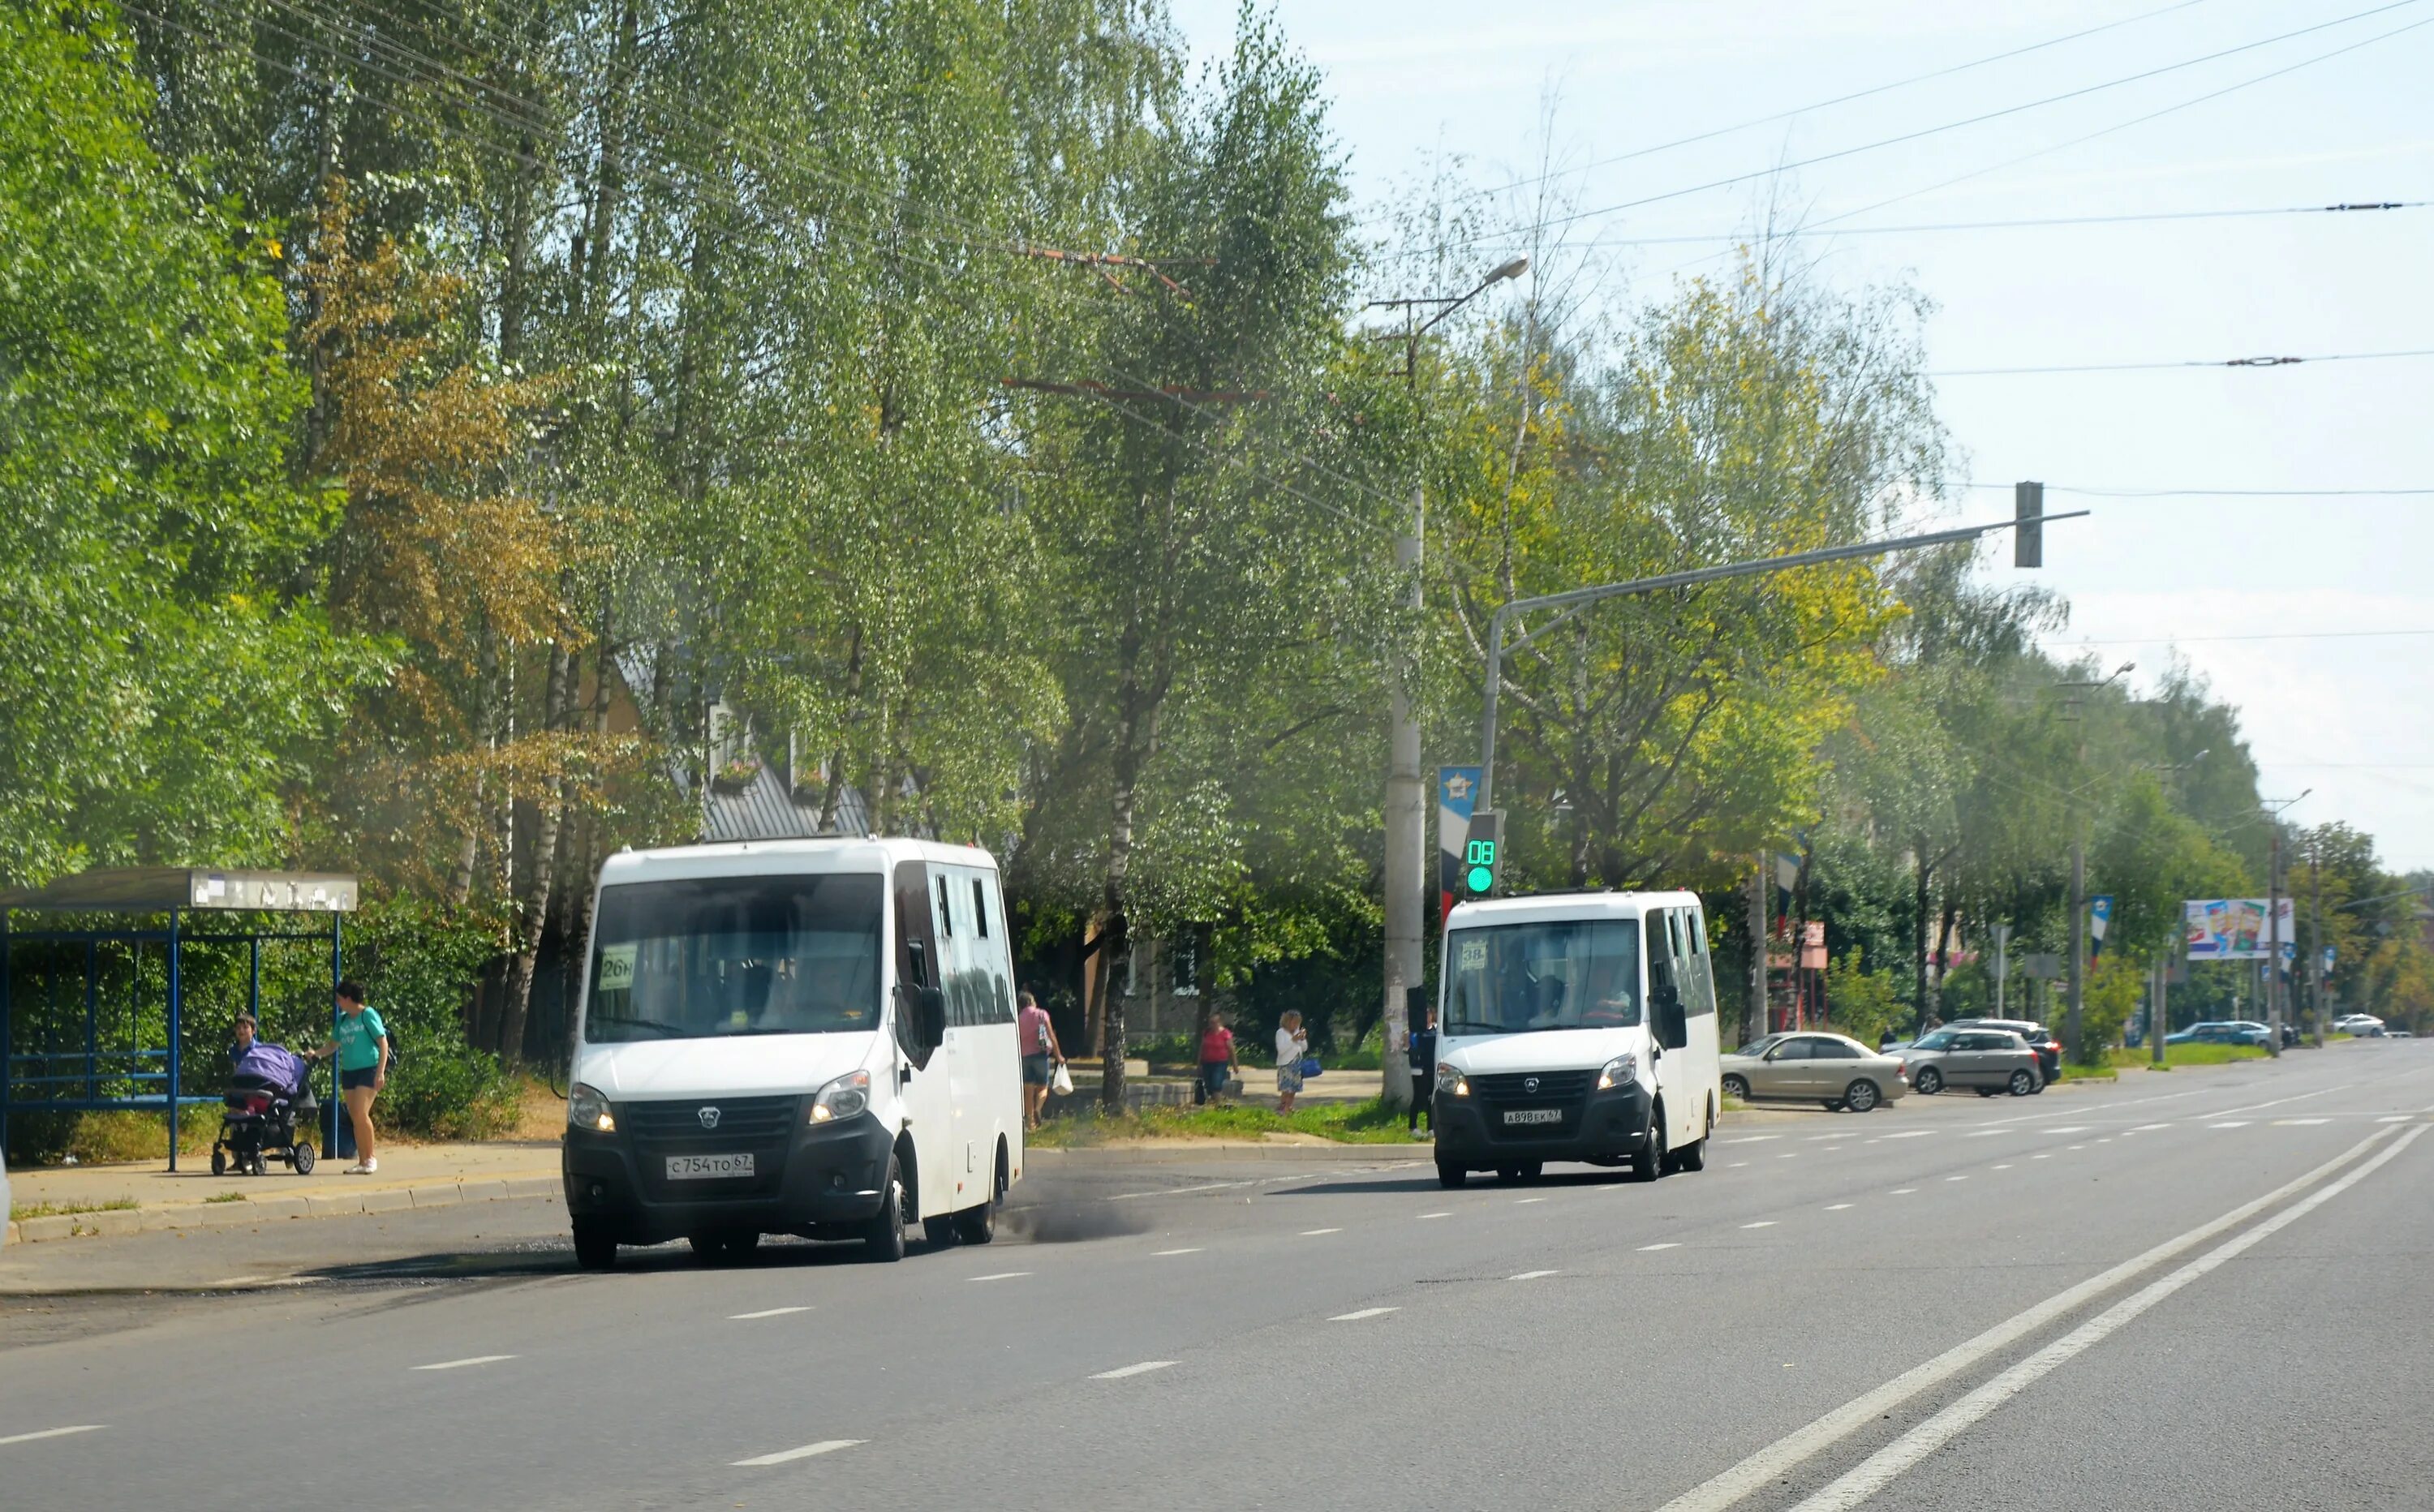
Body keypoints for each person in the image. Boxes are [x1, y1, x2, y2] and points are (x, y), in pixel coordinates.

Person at [304, 981, 389, 1175]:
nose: (337, 1002)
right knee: (355, 1116)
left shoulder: (368, 1015)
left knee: (360, 1113)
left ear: (348, 998)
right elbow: (333, 1045)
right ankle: (362, 1161)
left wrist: (380, 1071)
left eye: (339, 999)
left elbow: (383, 1043)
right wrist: (315, 1053)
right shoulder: (342, 1020)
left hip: (369, 1069)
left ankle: (371, 1158)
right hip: (349, 1071)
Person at [1017, 990, 1061, 1130]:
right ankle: (1038, 1108)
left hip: (1024, 1058)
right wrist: (1058, 1055)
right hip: (1041, 1055)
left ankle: (1030, 1125)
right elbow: (1051, 1036)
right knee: (1043, 1087)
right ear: (1031, 1001)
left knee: (1028, 1091)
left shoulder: (1018, 1018)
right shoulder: (1041, 1014)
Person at [1406, 1006, 1439, 1136]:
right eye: (1424, 1014)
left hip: (1432, 1069)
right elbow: (1408, 1046)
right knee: (1419, 1097)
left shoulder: (1437, 1030)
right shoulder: (1415, 1031)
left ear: (1432, 1015)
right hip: (1419, 1070)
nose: (1427, 1017)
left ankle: (1431, 1128)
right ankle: (1412, 1127)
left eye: (1429, 1014)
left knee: (1431, 1099)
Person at [1275, 1010, 1308, 1114]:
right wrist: (1293, 1040)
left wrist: (1302, 1039)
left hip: (1297, 1063)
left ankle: (1289, 1107)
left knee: (1294, 1088)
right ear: (1287, 1021)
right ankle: (1282, 1107)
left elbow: (1304, 1048)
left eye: (1298, 1023)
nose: (1296, 1025)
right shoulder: (1281, 1033)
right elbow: (1281, 1050)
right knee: (1286, 1087)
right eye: (1294, 1022)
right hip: (1286, 1064)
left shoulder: (1297, 1032)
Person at [1198, 1015, 1236, 1105]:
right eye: (1211, 1023)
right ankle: (1215, 1102)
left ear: (1220, 1023)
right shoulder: (1207, 1033)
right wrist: (1198, 1063)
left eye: (1215, 1023)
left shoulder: (1225, 1033)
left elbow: (1231, 1050)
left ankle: (1218, 1106)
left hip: (1220, 1063)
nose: (1212, 1025)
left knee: (1216, 1084)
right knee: (1209, 1086)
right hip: (1207, 1063)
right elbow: (1202, 1048)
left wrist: (1235, 1065)